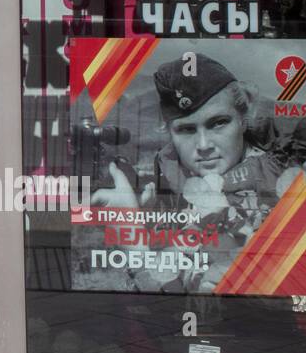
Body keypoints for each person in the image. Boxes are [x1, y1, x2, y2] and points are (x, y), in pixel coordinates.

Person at [92, 53, 284, 292]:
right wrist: (150, 216)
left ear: (243, 120)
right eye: (186, 129)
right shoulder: (177, 174)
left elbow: (188, 303)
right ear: (169, 133)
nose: (203, 145)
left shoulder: (266, 191)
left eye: (218, 123)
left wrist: (130, 236)